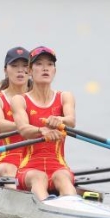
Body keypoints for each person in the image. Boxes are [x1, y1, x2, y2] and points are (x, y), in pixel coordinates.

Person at [11, 46, 77, 201]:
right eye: (39, 64)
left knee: (63, 178)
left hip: (59, 167)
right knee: (39, 178)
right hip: (29, 169)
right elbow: (23, 129)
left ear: (54, 71)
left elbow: (71, 121)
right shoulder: (19, 100)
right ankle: (46, 204)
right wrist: (41, 130)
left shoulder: (65, 97)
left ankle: (73, 204)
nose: (45, 68)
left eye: (49, 64)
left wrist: (60, 120)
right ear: (29, 71)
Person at [0, 46, 31, 179]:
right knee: (8, 169)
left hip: (36, 159)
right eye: (14, 66)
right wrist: (26, 127)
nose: (20, 70)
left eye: (25, 66)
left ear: (31, 70)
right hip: (8, 160)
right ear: (5, 70)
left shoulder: (41, 98)